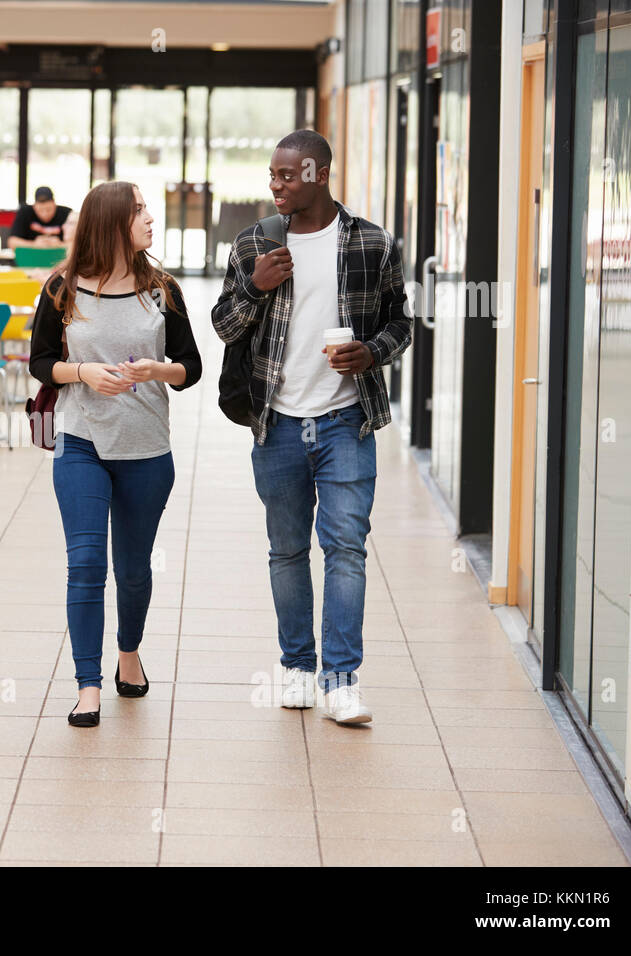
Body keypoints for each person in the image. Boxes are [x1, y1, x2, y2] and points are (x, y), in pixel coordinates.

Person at [211, 130, 412, 725]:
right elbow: (223, 326)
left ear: (318, 174)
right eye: (271, 176)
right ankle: (298, 666)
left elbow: (401, 321)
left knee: (345, 548)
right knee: (287, 549)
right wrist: (257, 285)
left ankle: (342, 681)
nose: (275, 185)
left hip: (347, 420)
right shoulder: (254, 244)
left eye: (287, 176)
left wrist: (372, 352)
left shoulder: (372, 243)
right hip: (277, 420)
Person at [28, 181, 201, 727]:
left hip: (147, 449)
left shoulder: (162, 289)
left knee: (132, 570)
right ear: (112, 223)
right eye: (141, 210)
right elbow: (41, 362)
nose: (151, 218)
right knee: (85, 564)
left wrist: (156, 369)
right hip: (82, 442)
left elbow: (190, 367)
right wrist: (82, 372)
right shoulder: (62, 288)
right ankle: (87, 686)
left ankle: (129, 653)